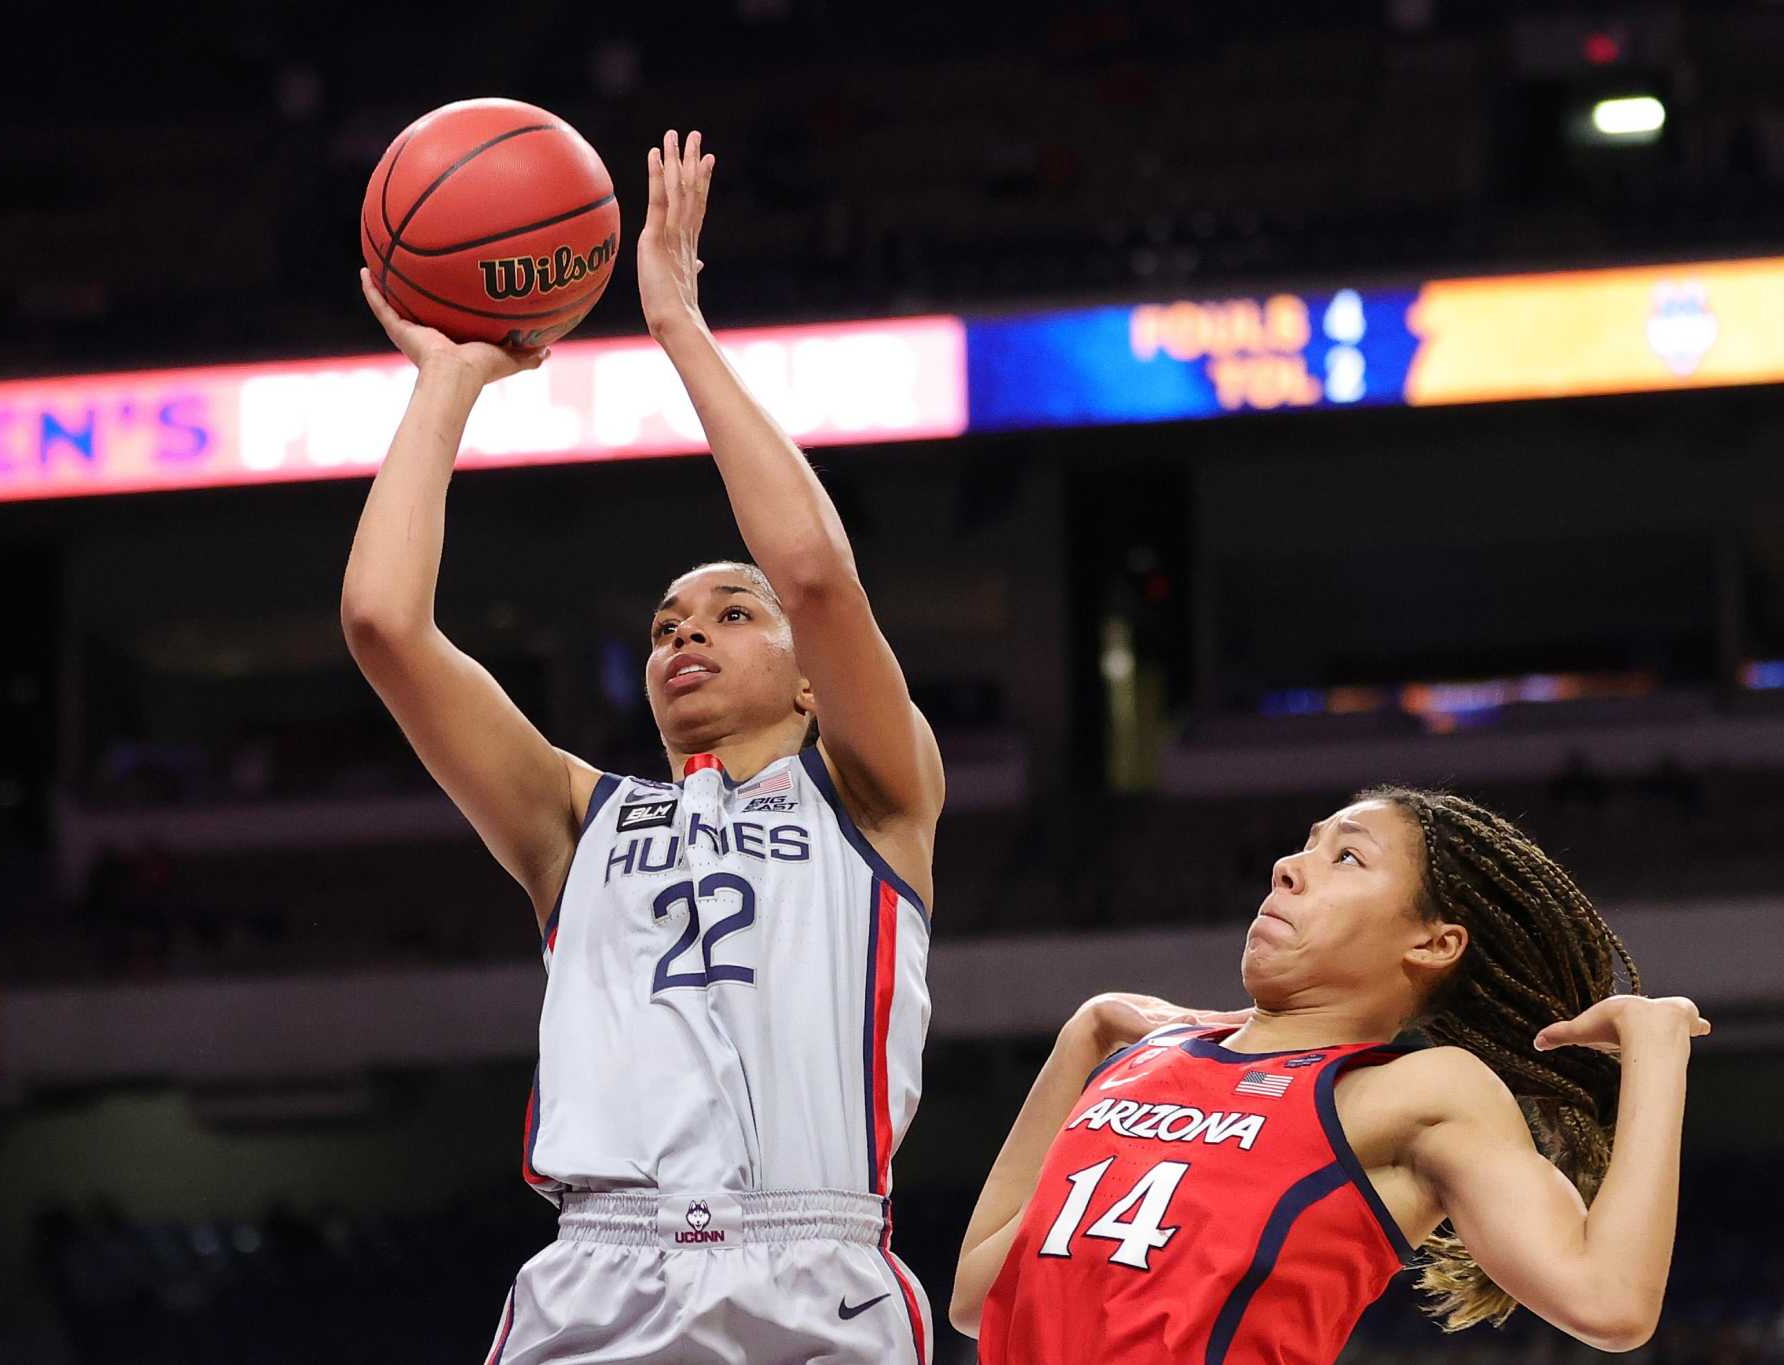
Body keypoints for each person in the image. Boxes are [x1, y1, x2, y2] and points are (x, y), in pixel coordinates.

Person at [343, 129, 943, 1364]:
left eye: (731, 614)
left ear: (810, 681)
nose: (687, 634)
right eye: (667, 623)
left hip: (812, 1269)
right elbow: (382, 625)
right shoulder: (578, 819)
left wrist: (676, 324)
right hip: (596, 1277)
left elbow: (817, 572)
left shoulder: (872, 799)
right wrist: (446, 384)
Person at [952, 785, 1708, 1362]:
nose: (1287, 867)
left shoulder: (1417, 1090)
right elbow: (977, 1297)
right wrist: (1087, 1032)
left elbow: (1611, 1301)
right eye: (1305, 847)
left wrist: (1655, 1049)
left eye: (1346, 856)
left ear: (1433, 942)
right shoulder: (1138, 1064)